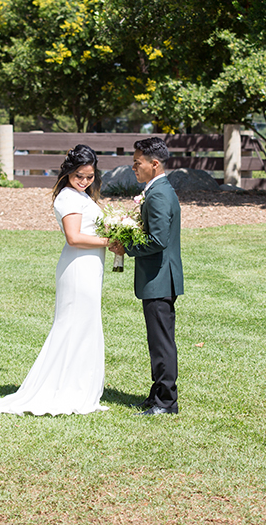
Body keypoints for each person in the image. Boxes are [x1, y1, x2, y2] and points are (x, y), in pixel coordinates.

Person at [0, 145, 116, 415]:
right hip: (78, 267)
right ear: (69, 171)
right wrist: (110, 242)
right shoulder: (68, 198)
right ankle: (64, 388)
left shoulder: (83, 196)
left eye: (90, 176)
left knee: (86, 325)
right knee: (73, 326)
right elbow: (74, 237)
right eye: (79, 175)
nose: (84, 181)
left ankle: (79, 386)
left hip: (91, 266)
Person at [120, 137, 183, 416]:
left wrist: (127, 247)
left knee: (162, 343)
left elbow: (157, 240)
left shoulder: (157, 194)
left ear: (154, 164)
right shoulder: (159, 190)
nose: (134, 168)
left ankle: (166, 401)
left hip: (159, 278)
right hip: (158, 278)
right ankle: (157, 393)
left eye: (137, 163)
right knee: (158, 341)